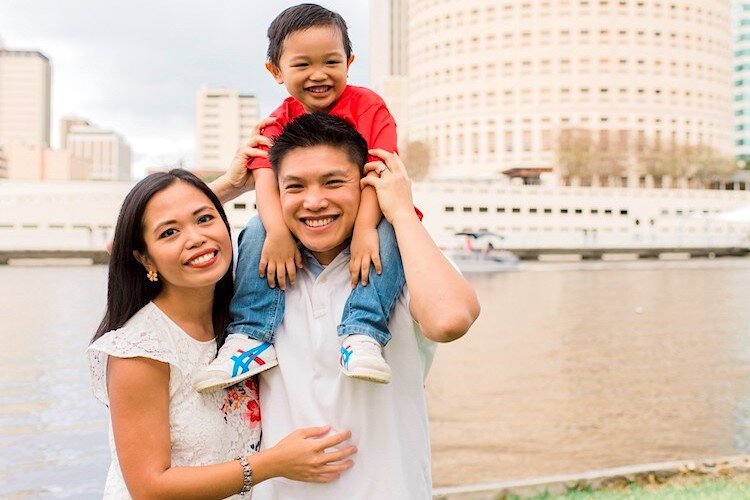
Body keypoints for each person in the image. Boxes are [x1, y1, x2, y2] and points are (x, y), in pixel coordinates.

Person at [239, 113, 480, 498]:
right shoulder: (257, 275)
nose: (314, 201)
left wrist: (401, 211)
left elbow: (449, 319)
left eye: (333, 182)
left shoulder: (401, 264)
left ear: (365, 184)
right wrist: (228, 185)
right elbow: (140, 254)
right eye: (295, 187)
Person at [87, 169, 356, 498]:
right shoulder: (141, 350)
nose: (196, 238)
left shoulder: (245, 321)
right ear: (145, 258)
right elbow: (148, 488)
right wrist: (273, 463)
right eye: (170, 232)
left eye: (204, 219)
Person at [194, 3, 409, 391]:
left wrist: (364, 230)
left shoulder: (368, 106)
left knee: (389, 232)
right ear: (275, 71)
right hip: (306, 225)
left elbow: (380, 172)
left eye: (331, 62)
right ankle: (251, 337)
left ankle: (362, 333)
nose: (318, 75)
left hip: (368, 210)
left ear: (350, 61)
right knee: (259, 227)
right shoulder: (276, 122)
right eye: (302, 65)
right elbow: (264, 182)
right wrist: (277, 234)